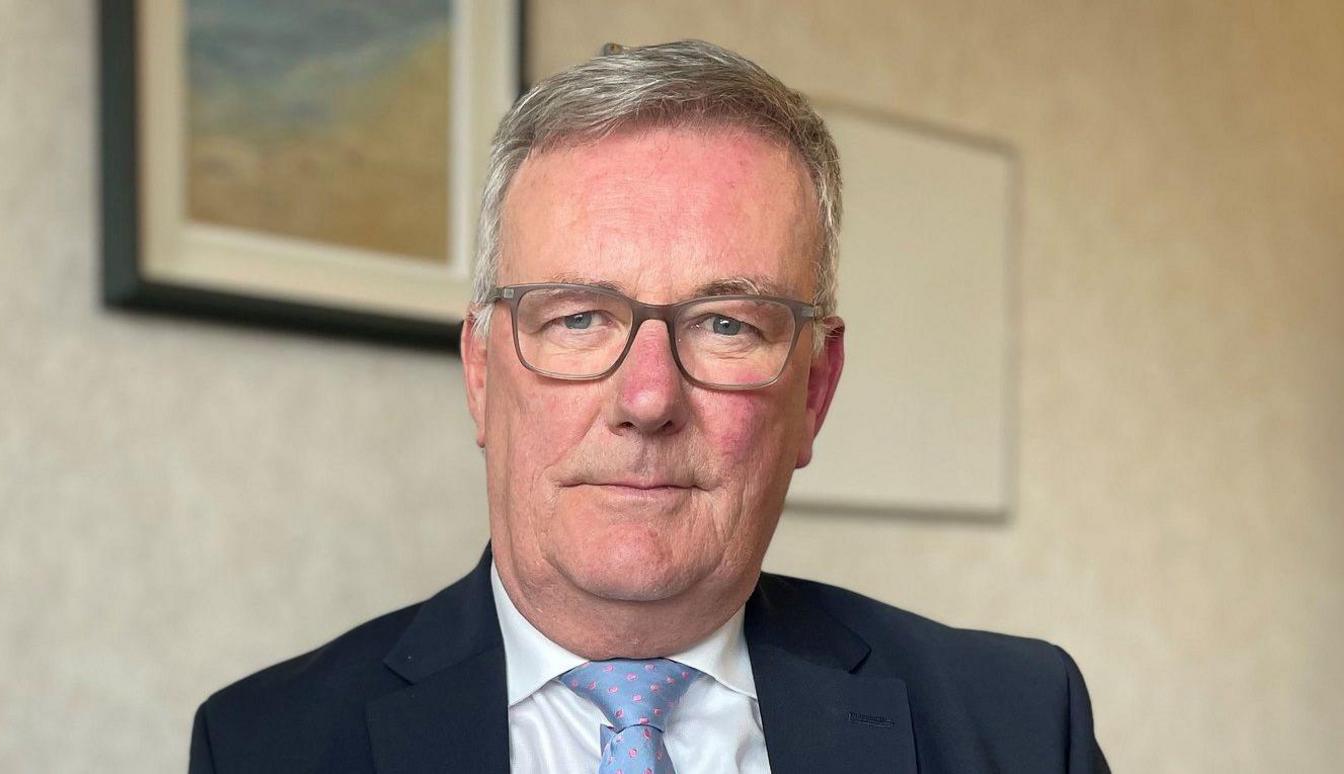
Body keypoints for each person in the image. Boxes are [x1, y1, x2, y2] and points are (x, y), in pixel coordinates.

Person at [189, 40, 1109, 774]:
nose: (649, 398)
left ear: (815, 394)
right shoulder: (267, 745)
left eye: (725, 325)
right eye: (580, 317)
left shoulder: (1020, 727)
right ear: (480, 372)